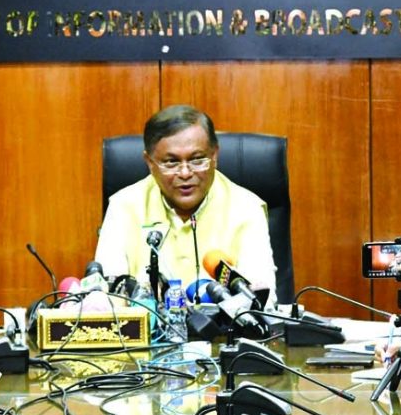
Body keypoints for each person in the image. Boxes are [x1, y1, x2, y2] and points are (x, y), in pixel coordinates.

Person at [95, 105, 276, 303]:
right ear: (149, 162)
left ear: (214, 155)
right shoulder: (123, 206)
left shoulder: (246, 208)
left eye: (197, 159)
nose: (185, 173)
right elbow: (108, 300)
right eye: (171, 162)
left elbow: (261, 301)